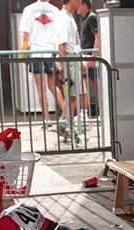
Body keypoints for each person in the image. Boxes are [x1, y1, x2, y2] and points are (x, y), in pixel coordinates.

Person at [19, 0, 65, 128]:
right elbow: (59, 34)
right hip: (50, 51)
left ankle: (47, 120)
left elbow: (25, 36)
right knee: (52, 86)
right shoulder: (55, 11)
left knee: (41, 89)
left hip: (36, 52)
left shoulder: (29, 9)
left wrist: (23, 54)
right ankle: (67, 115)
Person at [55, 0, 83, 139]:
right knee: (72, 96)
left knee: (72, 96)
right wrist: (62, 66)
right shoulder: (64, 18)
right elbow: (62, 45)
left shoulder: (68, 17)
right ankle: (66, 125)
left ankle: (65, 124)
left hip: (72, 60)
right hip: (69, 61)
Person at [77, 0, 99, 117]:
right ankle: (87, 109)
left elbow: (97, 37)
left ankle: (100, 108)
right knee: (86, 82)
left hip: (90, 54)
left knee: (96, 83)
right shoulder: (84, 19)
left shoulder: (91, 18)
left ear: (84, 5)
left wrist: (93, 57)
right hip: (86, 55)